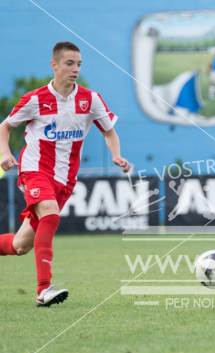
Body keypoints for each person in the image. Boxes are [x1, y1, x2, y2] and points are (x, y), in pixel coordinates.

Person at [0, 41, 130, 307]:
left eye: (79, 64)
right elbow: (5, 126)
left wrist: (116, 154)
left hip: (65, 180)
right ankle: (43, 289)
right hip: (35, 170)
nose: (75, 69)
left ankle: (39, 280)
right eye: (69, 63)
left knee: (21, 245)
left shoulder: (90, 99)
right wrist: (5, 153)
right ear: (55, 64)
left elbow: (108, 130)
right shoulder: (35, 99)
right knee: (50, 213)